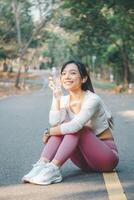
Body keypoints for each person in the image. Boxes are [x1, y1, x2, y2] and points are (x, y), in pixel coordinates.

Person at [22, 60, 119, 185]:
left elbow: (74, 126)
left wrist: (49, 132)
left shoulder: (92, 100)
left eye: (72, 73)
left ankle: (54, 168)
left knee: (76, 127)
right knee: (62, 125)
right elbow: (54, 122)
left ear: (83, 78)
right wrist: (56, 97)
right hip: (84, 162)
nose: (67, 76)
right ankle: (41, 165)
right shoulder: (64, 100)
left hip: (106, 158)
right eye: (64, 73)